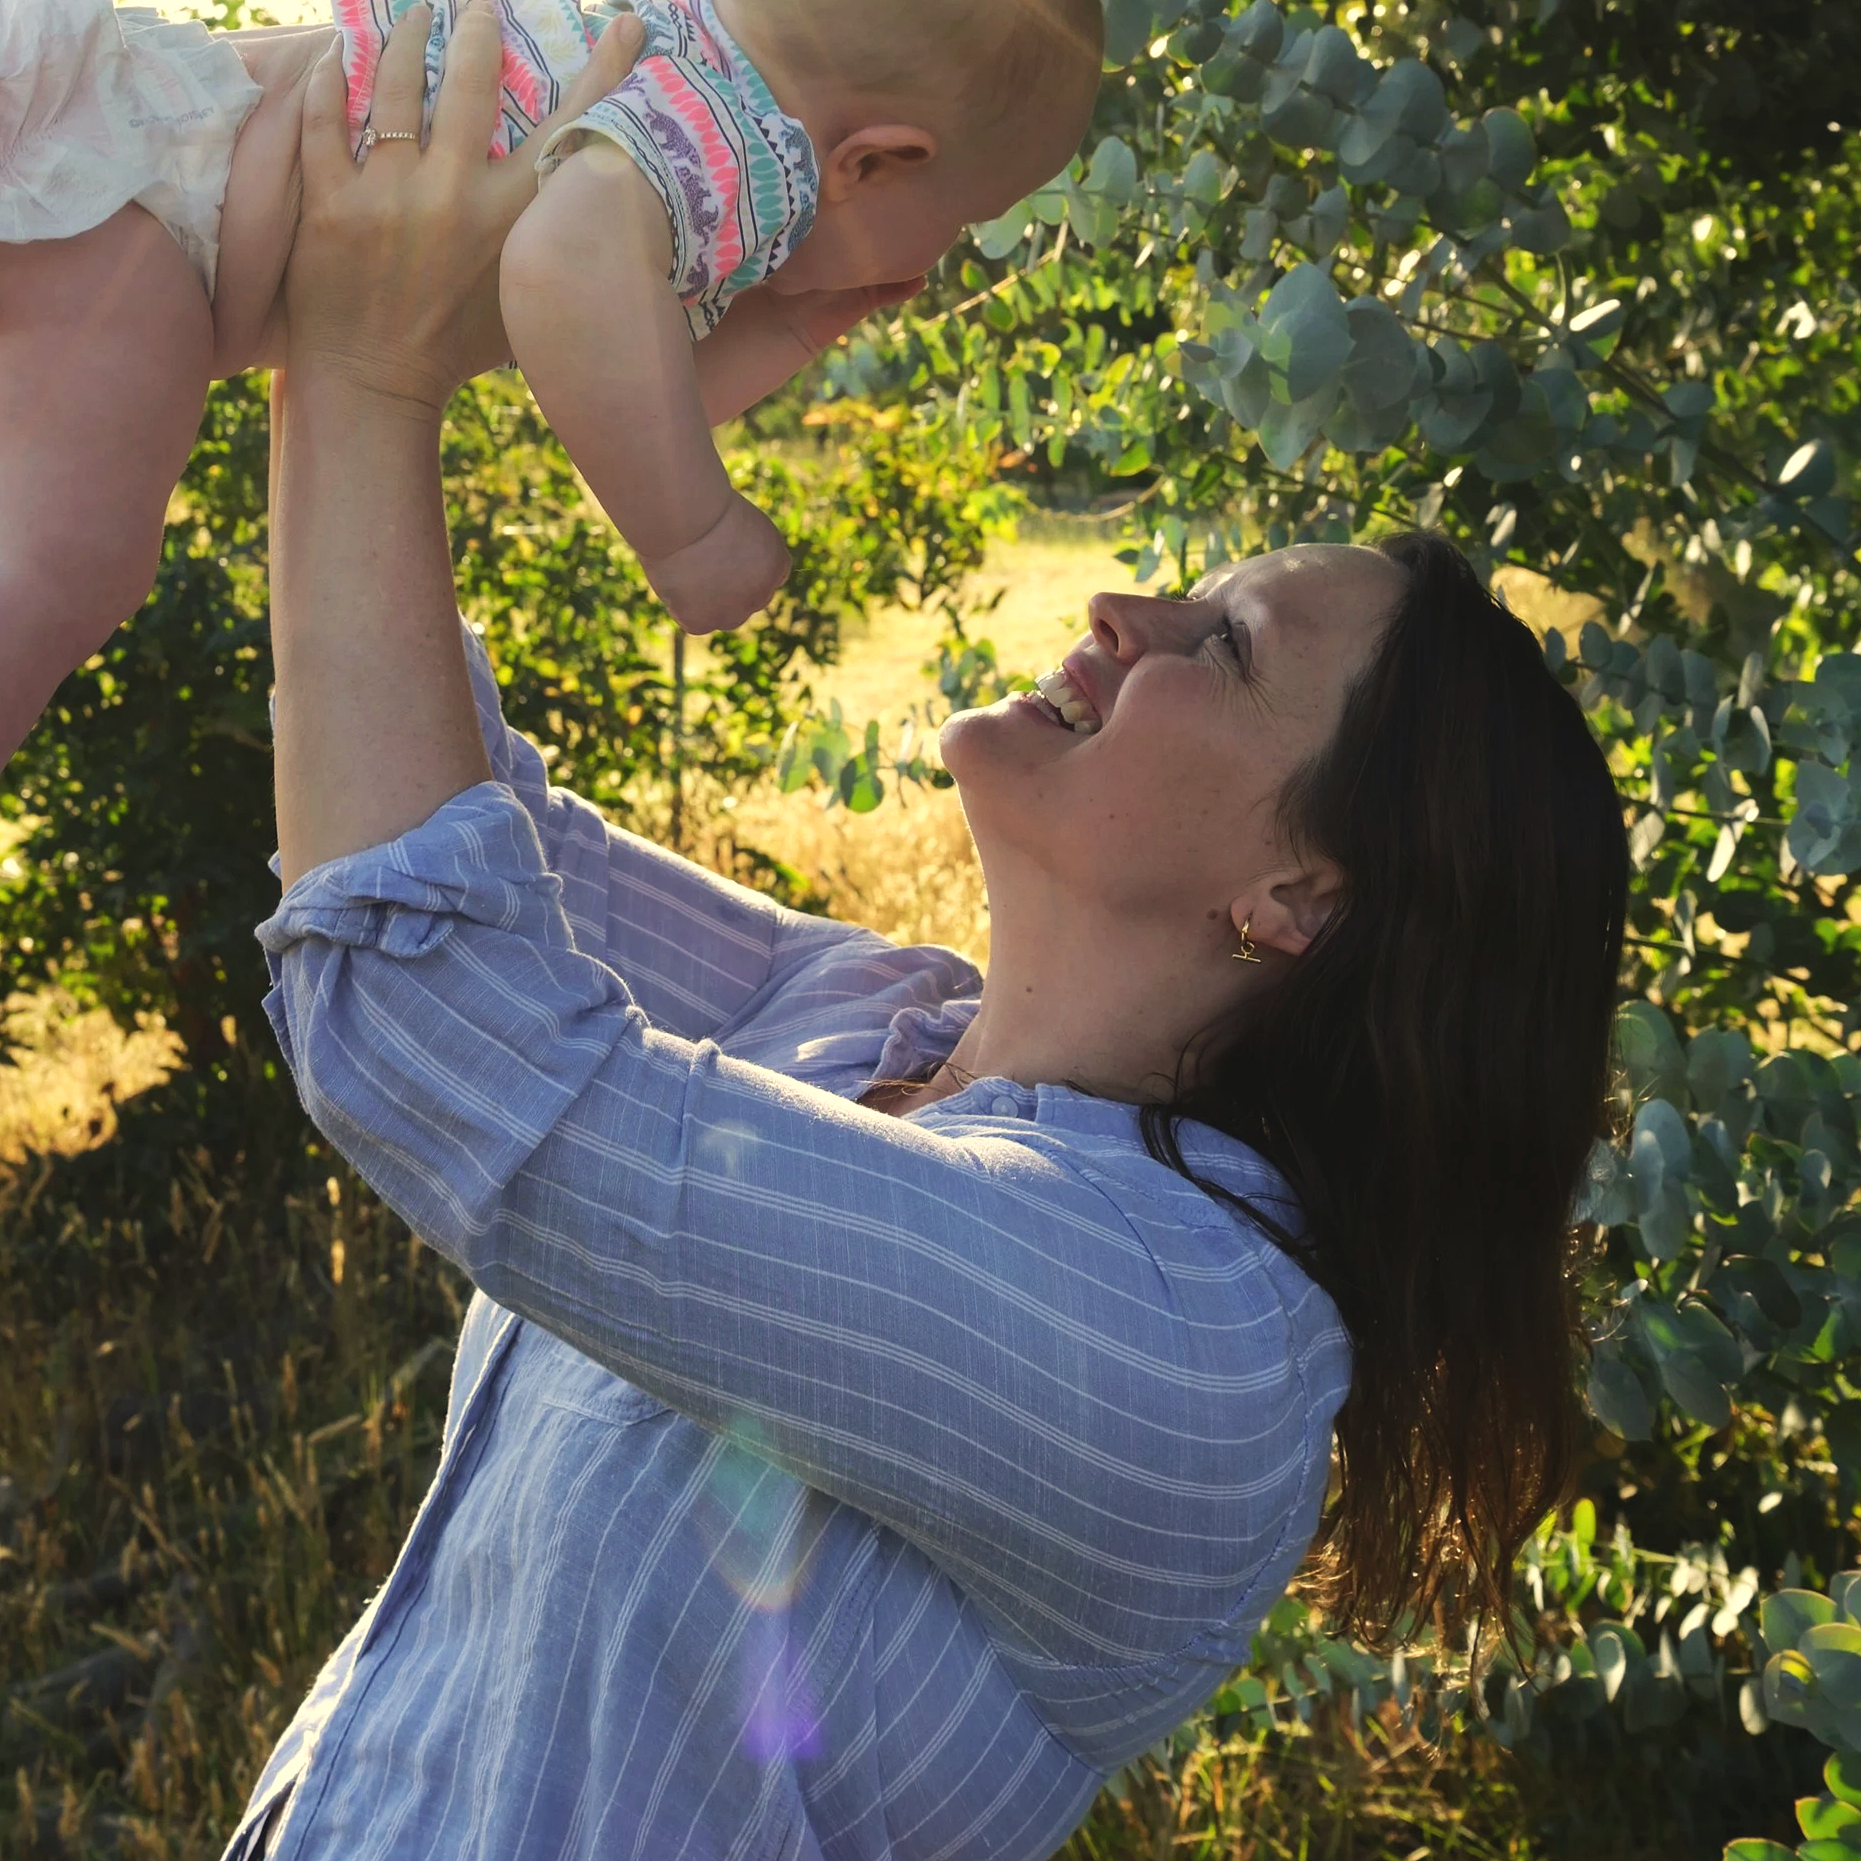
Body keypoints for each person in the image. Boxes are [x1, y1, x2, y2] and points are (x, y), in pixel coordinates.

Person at [234, 14, 1631, 1858]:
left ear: (1301, 897)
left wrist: (363, 376)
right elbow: (462, 829)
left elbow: (440, 1025)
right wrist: (566, 303)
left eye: (1220, 646)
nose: (1125, 609)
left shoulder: (1184, 1347)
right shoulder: (868, 1013)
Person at [0, 0, 1101, 767]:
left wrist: (794, 327)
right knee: (66, 565)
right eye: (960, 218)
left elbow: (614, 384)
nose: (944, 254)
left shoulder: (673, 67)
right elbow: (560, 267)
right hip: (142, 212)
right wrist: (694, 538)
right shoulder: (744, 139)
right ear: (876, 160)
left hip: (120, 139)